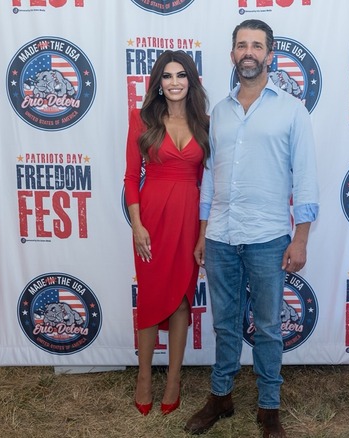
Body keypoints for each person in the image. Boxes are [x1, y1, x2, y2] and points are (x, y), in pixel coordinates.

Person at [184, 19, 319, 438]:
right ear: (232, 55)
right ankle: (220, 397)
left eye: (256, 46)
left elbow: (307, 177)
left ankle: (269, 406)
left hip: (268, 237)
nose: (249, 52)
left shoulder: (291, 110)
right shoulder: (218, 113)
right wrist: (204, 233)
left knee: (267, 326)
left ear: (270, 54)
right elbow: (208, 176)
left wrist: (301, 238)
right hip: (221, 237)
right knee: (224, 322)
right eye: (242, 45)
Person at [123, 50, 210, 416]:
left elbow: (210, 184)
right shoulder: (141, 119)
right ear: (159, 82)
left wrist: (203, 234)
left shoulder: (205, 122)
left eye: (181, 75)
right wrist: (137, 224)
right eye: (167, 76)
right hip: (152, 221)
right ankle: (145, 377)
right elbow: (130, 177)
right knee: (151, 296)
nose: (174, 82)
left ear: (191, 81)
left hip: (190, 220)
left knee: (181, 299)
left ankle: (173, 378)